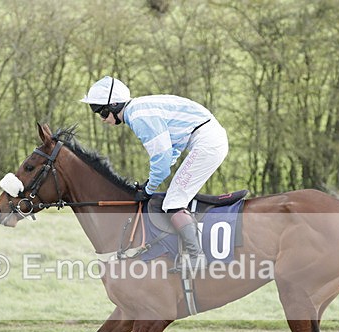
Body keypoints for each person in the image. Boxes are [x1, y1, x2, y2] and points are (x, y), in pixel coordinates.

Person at [81, 76, 229, 269]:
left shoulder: (138, 117)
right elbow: (172, 148)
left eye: (102, 111)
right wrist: (151, 181)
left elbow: (162, 156)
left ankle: (196, 257)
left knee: (173, 202)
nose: (101, 118)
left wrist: (150, 188)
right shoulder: (138, 109)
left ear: (115, 105)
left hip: (207, 142)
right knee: (174, 197)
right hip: (206, 137)